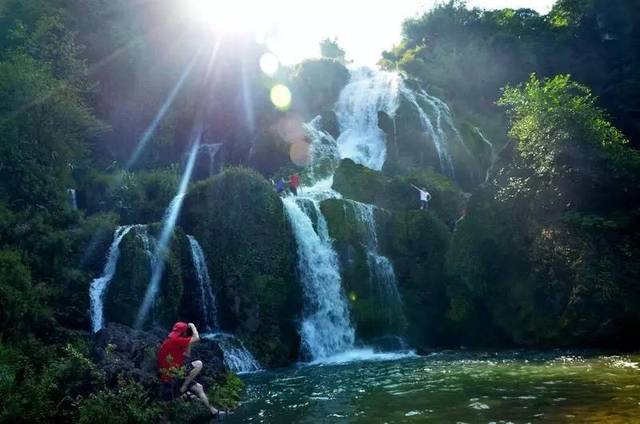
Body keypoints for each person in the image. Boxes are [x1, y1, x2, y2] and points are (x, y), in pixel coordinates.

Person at [157, 322, 225, 418]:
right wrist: (192, 326)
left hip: (174, 372)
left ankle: (213, 411)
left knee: (199, 387)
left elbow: (187, 355)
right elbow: (197, 338)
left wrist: (188, 342)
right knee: (198, 364)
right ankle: (184, 387)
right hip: (172, 376)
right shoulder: (176, 340)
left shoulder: (172, 340)